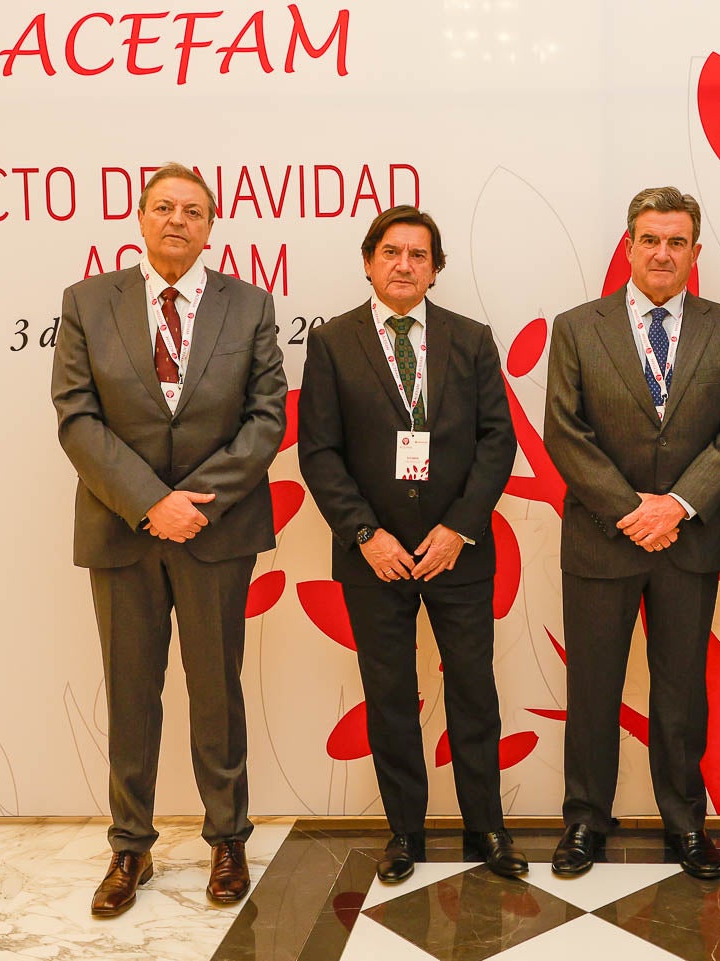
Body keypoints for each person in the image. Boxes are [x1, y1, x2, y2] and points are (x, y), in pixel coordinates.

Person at [51, 163, 287, 917]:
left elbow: (266, 416)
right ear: (140, 218)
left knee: (217, 688)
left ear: (211, 226)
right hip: (123, 528)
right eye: (163, 207)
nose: (176, 220)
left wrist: (197, 506)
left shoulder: (247, 305)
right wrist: (153, 503)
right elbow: (77, 417)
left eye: (192, 210)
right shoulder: (88, 302)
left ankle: (227, 836)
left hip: (216, 534)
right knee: (130, 691)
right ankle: (131, 845)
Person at [298, 206, 525, 882]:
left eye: (418, 255)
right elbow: (319, 450)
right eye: (391, 252)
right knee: (391, 695)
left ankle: (488, 827)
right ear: (369, 261)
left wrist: (458, 527)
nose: (404, 264)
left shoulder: (471, 339)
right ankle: (406, 834)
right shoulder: (334, 342)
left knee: (474, 695)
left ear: (435, 268)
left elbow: (496, 440)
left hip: (458, 551)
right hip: (376, 557)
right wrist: (365, 535)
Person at [544, 186, 720, 880]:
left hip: (687, 542)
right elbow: (564, 433)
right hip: (603, 540)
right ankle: (584, 819)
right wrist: (631, 509)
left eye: (676, 241)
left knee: (679, 693)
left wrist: (677, 505)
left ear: (695, 251)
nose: (661, 252)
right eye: (648, 239)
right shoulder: (577, 326)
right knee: (594, 690)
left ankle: (684, 822)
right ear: (627, 245)